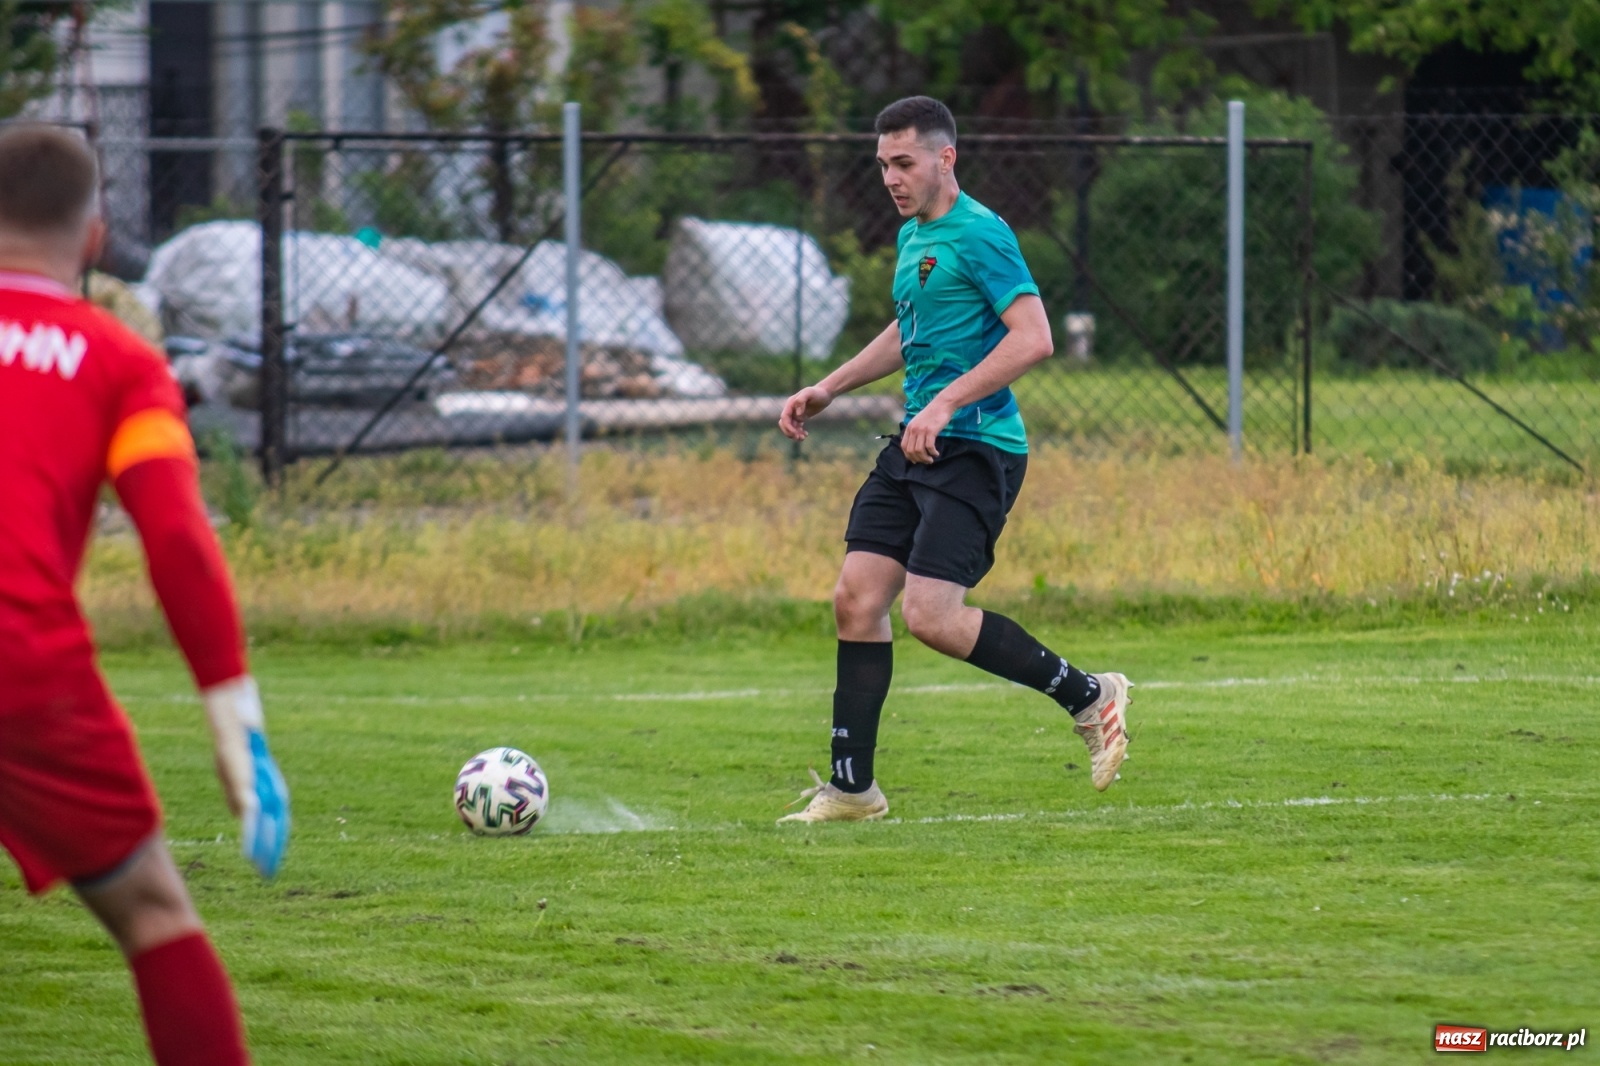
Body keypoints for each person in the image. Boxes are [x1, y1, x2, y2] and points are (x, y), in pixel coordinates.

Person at [0, 124, 289, 1065]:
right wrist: (233, 720)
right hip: (23, 675)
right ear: (93, 238)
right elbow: (175, 539)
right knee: (158, 915)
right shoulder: (120, 364)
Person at [776, 97, 1131, 823]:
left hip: (976, 449)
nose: (890, 179)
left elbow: (1033, 338)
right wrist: (829, 387)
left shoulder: (982, 234)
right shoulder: (915, 237)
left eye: (903, 163)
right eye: (882, 165)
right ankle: (853, 789)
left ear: (946, 159)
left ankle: (1090, 695)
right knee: (855, 599)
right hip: (916, 444)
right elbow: (910, 334)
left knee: (931, 616)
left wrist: (944, 404)